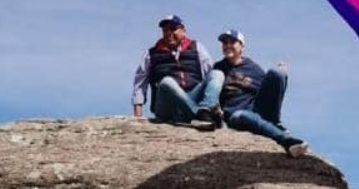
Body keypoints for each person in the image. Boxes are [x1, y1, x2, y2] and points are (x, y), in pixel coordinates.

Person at [213, 29, 308, 157]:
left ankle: (276, 122)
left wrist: (282, 75)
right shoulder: (218, 68)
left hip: (257, 109)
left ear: (242, 46)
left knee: (276, 73)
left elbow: (268, 91)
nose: (228, 45)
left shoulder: (253, 68)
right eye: (225, 43)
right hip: (236, 115)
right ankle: (286, 141)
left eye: (232, 42)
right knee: (243, 115)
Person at [132, 15, 224, 125]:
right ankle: (199, 115)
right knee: (167, 82)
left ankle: (205, 110)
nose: (169, 33)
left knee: (217, 74)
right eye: (165, 30)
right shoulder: (151, 54)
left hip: (193, 96)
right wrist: (138, 115)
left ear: (183, 31)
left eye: (173, 29)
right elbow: (140, 83)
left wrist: (217, 107)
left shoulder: (197, 47)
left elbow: (209, 76)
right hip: (167, 107)